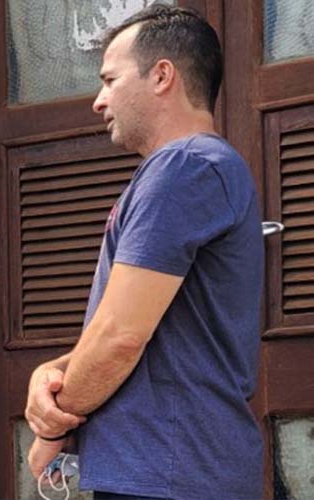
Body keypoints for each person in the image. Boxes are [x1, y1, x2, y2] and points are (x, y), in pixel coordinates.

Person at [25, 5, 264, 500]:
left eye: (110, 79)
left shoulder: (184, 166)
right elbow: (157, 336)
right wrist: (56, 373)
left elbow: (120, 337)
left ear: (161, 76)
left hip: (170, 474)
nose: (98, 100)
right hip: (174, 469)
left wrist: (53, 428)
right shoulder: (197, 168)